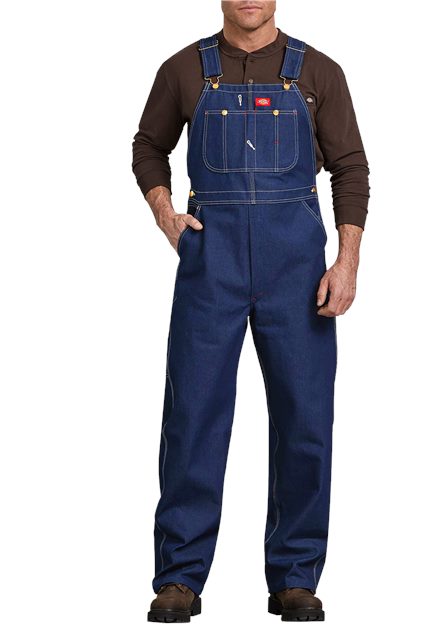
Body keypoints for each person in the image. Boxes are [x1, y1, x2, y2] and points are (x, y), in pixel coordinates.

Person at [131, 1, 370, 621]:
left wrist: (347, 262)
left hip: (298, 272)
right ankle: (179, 577)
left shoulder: (318, 72)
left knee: (305, 420)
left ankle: (295, 576)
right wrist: (165, 216)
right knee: (193, 417)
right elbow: (148, 146)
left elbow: (350, 168)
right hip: (211, 266)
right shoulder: (184, 69)